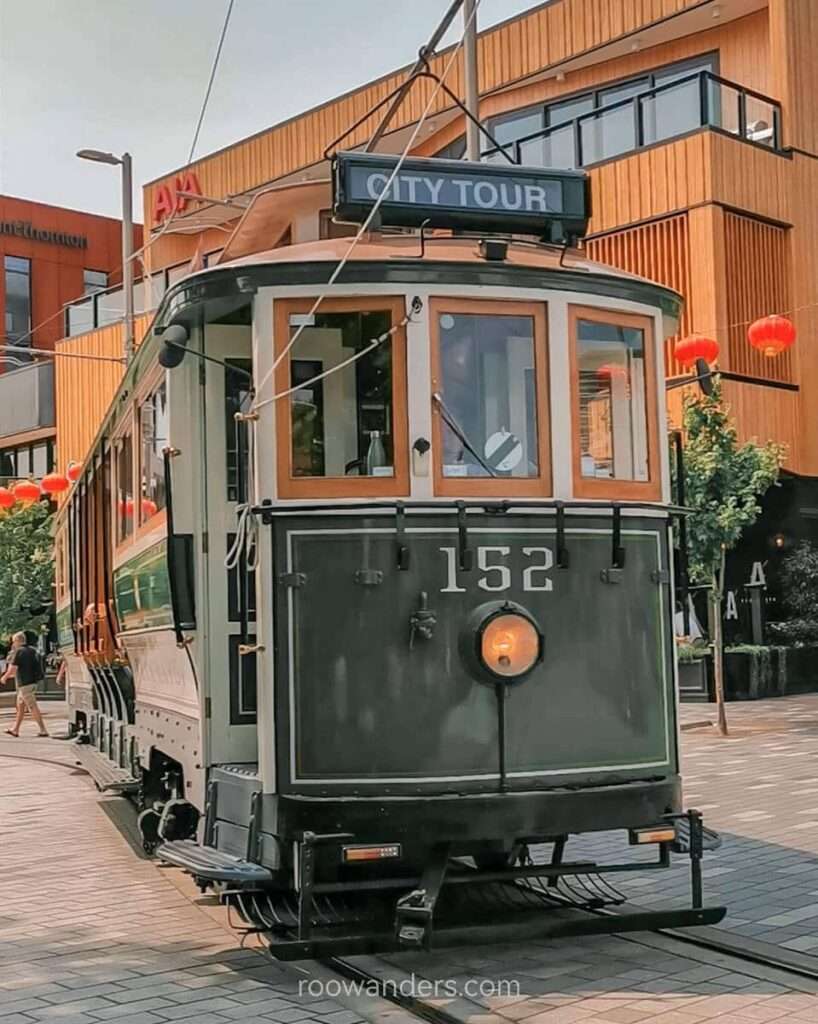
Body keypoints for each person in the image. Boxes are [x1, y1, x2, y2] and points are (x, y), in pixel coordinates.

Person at [1, 631, 48, 738]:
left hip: (25, 684)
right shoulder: (32, 650)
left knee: (32, 706)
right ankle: (15, 729)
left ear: (18, 641)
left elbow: (13, 669)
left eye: (13, 641)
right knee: (20, 706)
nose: (13, 644)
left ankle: (43, 730)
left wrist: (4, 677)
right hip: (32, 682)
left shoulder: (19, 652)